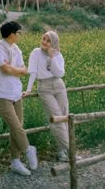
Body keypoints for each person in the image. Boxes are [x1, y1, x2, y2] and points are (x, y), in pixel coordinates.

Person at [0, 21, 38, 176]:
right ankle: (28, 149)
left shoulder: (16, 49)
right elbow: (5, 69)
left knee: (16, 128)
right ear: (12, 34)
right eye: (19, 33)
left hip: (16, 92)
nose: (21, 35)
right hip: (1, 93)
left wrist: (14, 69)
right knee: (16, 126)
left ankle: (15, 162)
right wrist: (15, 70)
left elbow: (24, 70)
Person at [23, 31, 70, 162]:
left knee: (65, 118)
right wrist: (28, 89)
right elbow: (32, 72)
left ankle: (62, 151)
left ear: (54, 43)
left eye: (48, 40)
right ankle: (72, 151)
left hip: (59, 85)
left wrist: (52, 57)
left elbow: (60, 73)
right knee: (56, 119)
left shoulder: (58, 55)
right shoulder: (35, 52)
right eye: (43, 38)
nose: (44, 42)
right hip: (45, 88)